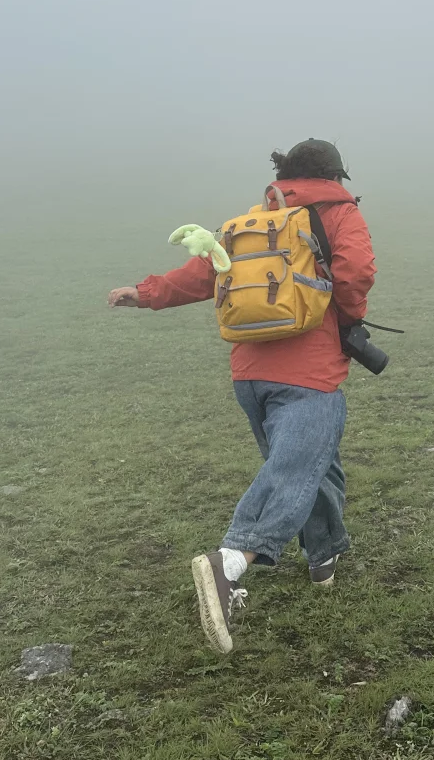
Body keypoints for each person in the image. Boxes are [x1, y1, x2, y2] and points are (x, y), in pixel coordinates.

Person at [108, 139, 376, 655]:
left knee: (312, 462)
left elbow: (204, 274)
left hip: (250, 373)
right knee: (293, 472)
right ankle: (231, 561)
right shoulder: (340, 214)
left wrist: (143, 293)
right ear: (334, 175)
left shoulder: (253, 221)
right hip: (310, 372)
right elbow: (356, 274)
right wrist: (347, 317)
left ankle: (323, 556)